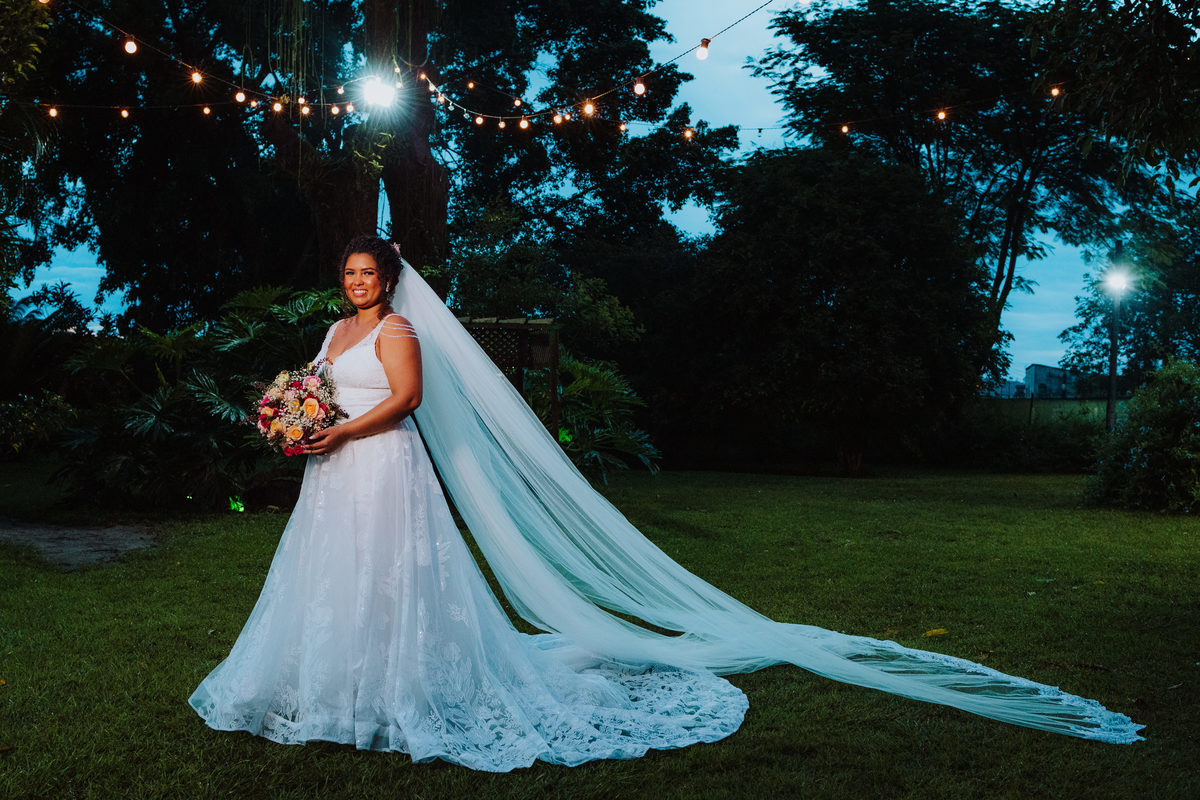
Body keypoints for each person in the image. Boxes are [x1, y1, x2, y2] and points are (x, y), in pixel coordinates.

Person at [190, 235, 1142, 771]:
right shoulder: (334, 325)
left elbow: (404, 400)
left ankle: (404, 686)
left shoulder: (397, 329)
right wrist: (291, 418)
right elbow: (308, 383)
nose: (358, 284)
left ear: (390, 278)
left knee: (393, 576)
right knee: (332, 580)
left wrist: (342, 431)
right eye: (349, 274)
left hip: (380, 461)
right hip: (330, 473)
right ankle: (326, 684)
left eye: (369, 274)